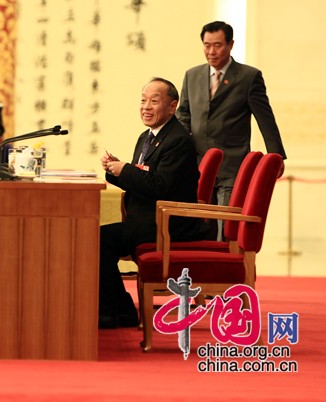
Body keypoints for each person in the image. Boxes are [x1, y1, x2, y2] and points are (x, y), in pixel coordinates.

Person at [99, 78, 209, 329]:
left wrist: (125, 170)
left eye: (154, 101)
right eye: (143, 100)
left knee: (99, 240)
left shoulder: (178, 140)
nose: (146, 107)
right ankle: (119, 309)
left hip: (167, 224)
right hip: (146, 219)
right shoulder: (147, 136)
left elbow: (161, 186)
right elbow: (143, 177)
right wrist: (115, 170)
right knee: (98, 238)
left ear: (172, 106)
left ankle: (114, 311)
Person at [177, 21, 287, 215]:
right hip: (198, 165)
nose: (211, 51)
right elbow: (183, 114)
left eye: (217, 45)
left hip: (232, 165)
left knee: (225, 224)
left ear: (231, 44)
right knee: (202, 224)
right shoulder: (192, 75)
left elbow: (266, 119)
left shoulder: (248, 77)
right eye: (206, 45)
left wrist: (276, 156)